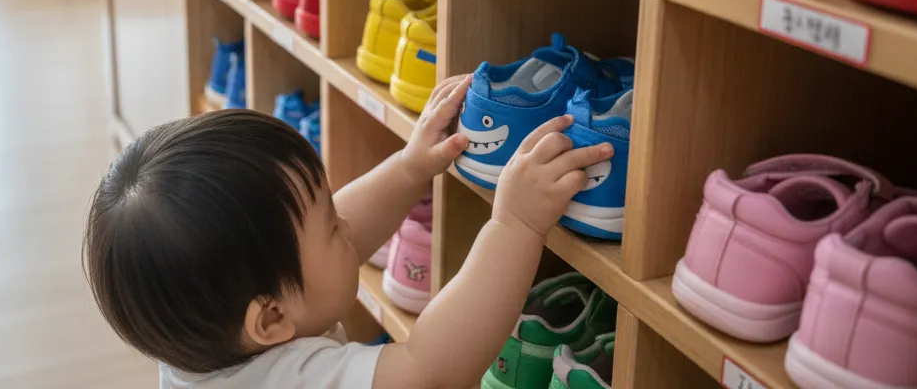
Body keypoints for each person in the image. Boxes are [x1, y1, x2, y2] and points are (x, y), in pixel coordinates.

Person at [84, 75, 614, 388]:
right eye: (331, 227)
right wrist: (514, 223)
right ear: (270, 318)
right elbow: (430, 368)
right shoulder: (294, 378)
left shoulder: (198, 326)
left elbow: (330, 244)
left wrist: (410, 167)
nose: (347, 224)